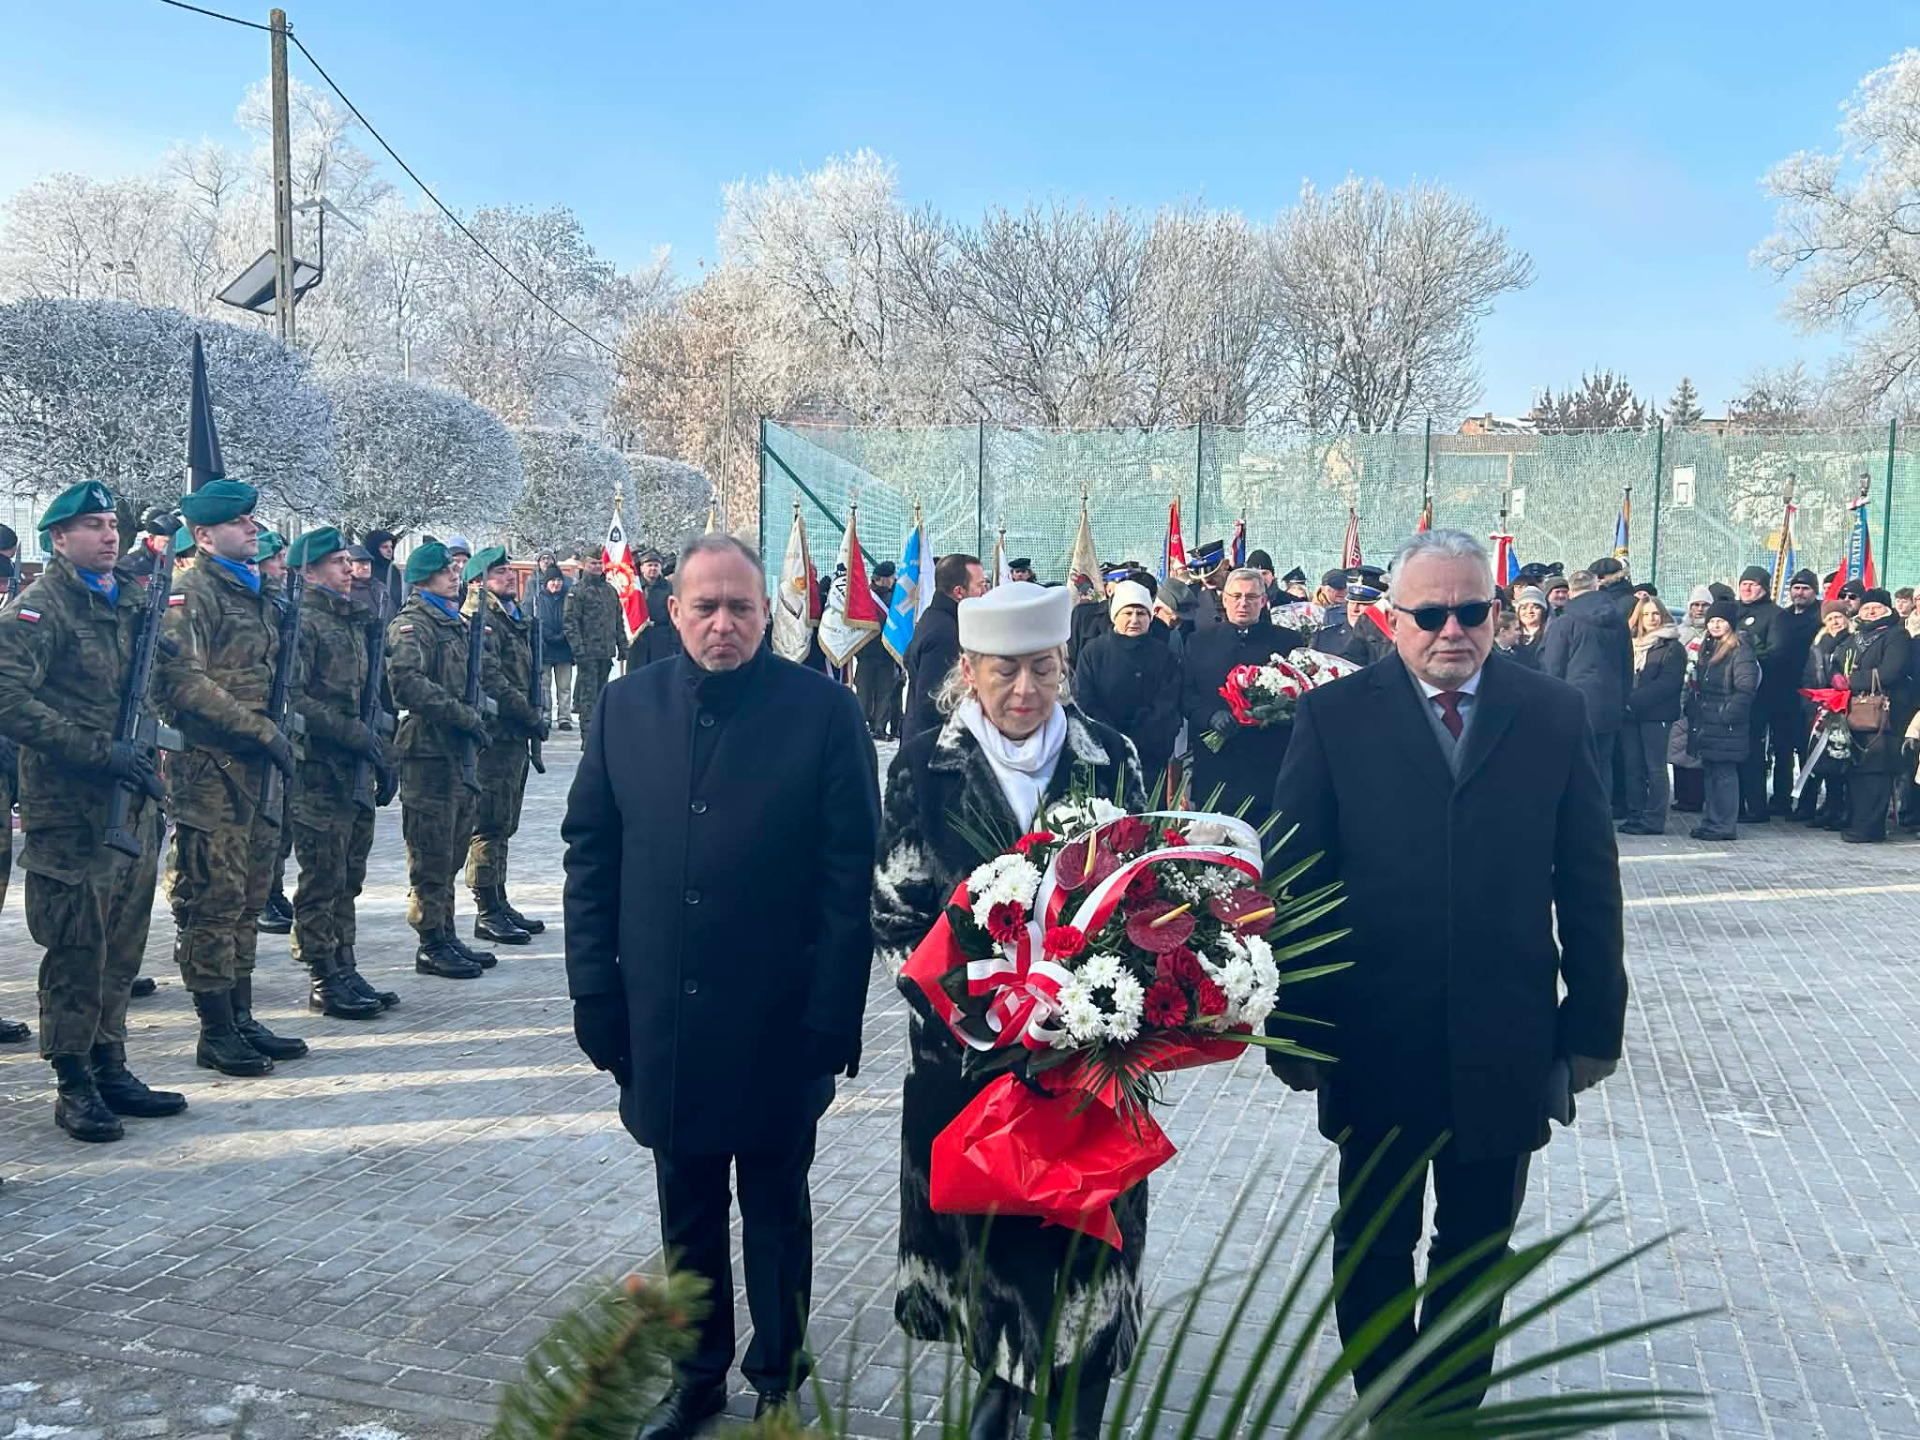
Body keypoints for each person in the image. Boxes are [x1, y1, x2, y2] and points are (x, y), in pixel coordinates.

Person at [1267, 529, 1626, 1415]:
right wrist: (1294, 1026)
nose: (1452, 631)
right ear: (1391, 620)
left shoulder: (1552, 713)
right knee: (1373, 1244)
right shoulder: (1333, 718)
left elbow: (1589, 880)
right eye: (1430, 615)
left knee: (1476, 1249)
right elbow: (1295, 881)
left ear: (1497, 614)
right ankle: (1390, 1409)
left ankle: (1446, 1417)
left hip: (1504, 1035)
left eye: (1471, 611)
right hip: (1374, 1034)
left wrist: (1593, 1025)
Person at [565, 534, 878, 1436]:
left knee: (776, 1208)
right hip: (665, 1019)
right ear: (674, 612)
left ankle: (779, 1372)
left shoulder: (824, 712)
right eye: (705, 607)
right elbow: (591, 857)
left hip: (779, 1020)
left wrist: (834, 1014)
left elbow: (847, 877)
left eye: (741, 607)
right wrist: (594, 993)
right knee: (687, 1209)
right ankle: (696, 1376)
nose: (723, 624)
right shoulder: (626, 708)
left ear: (767, 613)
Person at [873, 580, 1145, 1440]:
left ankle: (1076, 1401)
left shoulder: (1112, 758)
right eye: (1005, 671)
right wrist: (988, 1014)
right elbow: (896, 915)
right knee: (992, 1242)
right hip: (970, 1062)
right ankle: (1004, 1380)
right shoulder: (925, 765)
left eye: (1043, 669)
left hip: (1091, 1062)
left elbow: (1149, 895)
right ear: (968, 670)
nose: (1026, 690)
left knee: (1087, 1242)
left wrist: (1101, 1006)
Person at [0, 482, 187, 1141]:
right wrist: (98, 751)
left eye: (112, 524)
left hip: (130, 804)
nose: (109, 536)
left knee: (122, 946)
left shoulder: (127, 599)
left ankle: (112, 1063)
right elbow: (9, 701)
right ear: (59, 538)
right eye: (93, 526)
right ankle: (73, 1081)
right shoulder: (38, 609)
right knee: (77, 951)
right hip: (72, 810)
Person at [157, 479, 308, 1077]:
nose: (251, 528)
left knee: (249, 896)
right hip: (212, 768)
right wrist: (259, 730)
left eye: (251, 520)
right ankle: (215, 1028)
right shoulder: (190, 593)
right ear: (203, 535)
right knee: (213, 901)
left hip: (256, 767)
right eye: (237, 522)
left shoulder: (258, 592)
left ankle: (242, 1016)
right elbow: (182, 682)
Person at [285, 526, 395, 1021]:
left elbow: (373, 698)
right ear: (308, 572)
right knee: (322, 876)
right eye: (336, 563)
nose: (349, 569)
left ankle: (344, 963)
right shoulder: (303, 621)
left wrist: (382, 753)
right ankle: (322, 973)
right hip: (318, 770)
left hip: (353, 768)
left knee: (349, 874)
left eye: (348, 562)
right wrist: (352, 734)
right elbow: (294, 699)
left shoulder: (353, 620)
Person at [387, 542, 494, 981]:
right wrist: (463, 715)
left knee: (453, 847)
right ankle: (430, 941)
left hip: (456, 751)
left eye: (455, 570)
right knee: (430, 853)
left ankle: (446, 932)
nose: (455, 576)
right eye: (446, 571)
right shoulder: (413, 625)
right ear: (423, 579)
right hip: (428, 751)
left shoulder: (453, 623)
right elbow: (407, 685)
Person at [461, 547, 549, 941]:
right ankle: (486, 908)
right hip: (494, 736)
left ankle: (498, 897)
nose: (510, 576)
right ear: (477, 582)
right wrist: (529, 715)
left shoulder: (510, 618)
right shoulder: (479, 619)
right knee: (489, 823)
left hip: (513, 736)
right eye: (499, 572)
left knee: (505, 822)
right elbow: (492, 679)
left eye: (509, 570)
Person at [1182, 567, 1292, 823]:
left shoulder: (1287, 642)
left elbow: (1299, 695)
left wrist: (1271, 711)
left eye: (1251, 597)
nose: (1243, 603)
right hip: (1217, 764)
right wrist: (1209, 716)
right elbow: (1186, 693)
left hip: (1267, 762)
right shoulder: (1199, 642)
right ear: (1224, 599)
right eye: (1236, 596)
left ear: (1263, 601)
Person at [1075, 577, 1182, 789]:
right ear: (1115, 616)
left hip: (1149, 757)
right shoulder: (1093, 652)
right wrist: (1114, 740)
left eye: (1141, 613)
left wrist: (1139, 741)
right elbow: (1085, 700)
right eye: (1128, 613)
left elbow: (1167, 704)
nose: (1134, 619)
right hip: (1105, 755)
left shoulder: (1163, 655)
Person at [1542, 568, 1631, 786]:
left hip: (1573, 703)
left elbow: (1553, 667)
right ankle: (1602, 808)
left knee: (1573, 765)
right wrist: (1622, 700)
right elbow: (1626, 664)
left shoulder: (1564, 622)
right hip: (1610, 702)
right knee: (1603, 765)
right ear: (1596, 587)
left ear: (1571, 592)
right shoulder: (1619, 620)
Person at [1837, 588, 1913, 843]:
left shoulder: (1896, 635)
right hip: (1855, 712)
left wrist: (1851, 681)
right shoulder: (1856, 636)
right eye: (1866, 608)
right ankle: (1856, 820)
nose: (1870, 612)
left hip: (1883, 713)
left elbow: (1892, 670)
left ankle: (1870, 827)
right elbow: (1838, 663)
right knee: (1857, 768)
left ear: (1887, 610)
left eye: (1876, 608)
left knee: (1876, 770)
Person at [1683, 601, 1760, 842]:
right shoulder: (1707, 647)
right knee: (1710, 773)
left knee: (1724, 775)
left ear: (1730, 624)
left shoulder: (1740, 649)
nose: (1715, 625)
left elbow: (1746, 688)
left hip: (1726, 723)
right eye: (1712, 621)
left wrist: (1728, 714)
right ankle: (1711, 821)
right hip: (1707, 720)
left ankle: (1724, 824)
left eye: (1721, 621)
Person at [256, 530, 297, 937]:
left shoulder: (282, 603)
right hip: (253, 729)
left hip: (281, 723)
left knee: (280, 819)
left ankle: (273, 887)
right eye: (275, 559)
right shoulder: (258, 606)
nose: (282, 566)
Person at [1619, 595, 1685, 835]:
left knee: (1655, 768)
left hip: (1657, 715)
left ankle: (1654, 819)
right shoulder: (1629, 644)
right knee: (1632, 766)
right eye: (1646, 614)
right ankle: (1636, 814)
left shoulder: (1672, 647)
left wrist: (1632, 701)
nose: (1651, 618)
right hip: (1630, 716)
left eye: (1655, 613)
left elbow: (1668, 683)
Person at [1760, 569, 1823, 815]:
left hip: (1808, 694)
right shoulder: (1782, 617)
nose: (1800, 593)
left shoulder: (1820, 618)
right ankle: (1781, 798)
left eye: (1805, 588)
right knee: (1782, 750)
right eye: (1796, 588)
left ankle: (1807, 803)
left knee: (1807, 751)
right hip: (1781, 693)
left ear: (1814, 592)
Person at [904, 553, 985, 741]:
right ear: (959, 592)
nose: (984, 592)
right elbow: (934, 702)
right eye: (980, 586)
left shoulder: (937, 618)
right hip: (934, 745)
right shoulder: (944, 632)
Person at [1796, 600, 1854, 827]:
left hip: (1843, 709)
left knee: (1840, 761)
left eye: (1838, 617)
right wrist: (1811, 704)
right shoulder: (1818, 645)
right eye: (1830, 619)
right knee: (1825, 761)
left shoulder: (1852, 642)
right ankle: (1830, 806)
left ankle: (1840, 809)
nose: (1834, 622)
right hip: (1820, 708)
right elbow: (1808, 676)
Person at [563, 551, 628, 746]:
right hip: (588, 653)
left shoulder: (610, 591)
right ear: (584, 565)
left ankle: (601, 734)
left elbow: (617, 620)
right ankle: (589, 737)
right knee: (588, 698)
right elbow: (570, 622)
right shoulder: (578, 591)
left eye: (600, 563)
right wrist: (578, 650)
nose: (597, 567)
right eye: (593, 563)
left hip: (605, 652)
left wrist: (622, 645)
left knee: (602, 696)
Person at [855, 561, 905, 740]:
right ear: (884, 579)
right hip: (870, 654)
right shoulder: (866, 597)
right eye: (891, 577)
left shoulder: (893, 597)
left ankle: (878, 728)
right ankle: (869, 726)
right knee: (866, 693)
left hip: (883, 655)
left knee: (883, 692)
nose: (894, 580)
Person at [535, 563, 573, 730]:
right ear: (546, 582)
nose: (556, 583)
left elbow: (572, 618)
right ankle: (546, 715)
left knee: (564, 686)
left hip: (565, 647)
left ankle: (564, 717)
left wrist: (564, 635)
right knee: (544, 685)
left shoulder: (569, 597)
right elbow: (537, 620)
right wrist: (548, 635)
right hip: (545, 647)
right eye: (553, 580)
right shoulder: (538, 598)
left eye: (559, 580)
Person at [633, 548, 682, 670]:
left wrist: (675, 643)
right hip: (638, 639)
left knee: (659, 675)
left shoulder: (669, 588)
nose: (653, 568)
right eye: (649, 565)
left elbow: (675, 615)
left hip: (661, 639)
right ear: (642, 568)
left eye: (656, 565)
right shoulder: (633, 587)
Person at [362, 529, 404, 618]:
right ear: (374, 549)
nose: (390, 550)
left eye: (391, 547)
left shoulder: (392, 570)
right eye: (385, 547)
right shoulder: (364, 570)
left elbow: (397, 600)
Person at [1510, 586, 1551, 670]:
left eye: (1535, 607)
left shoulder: (1551, 633)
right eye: (1524, 608)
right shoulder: (1509, 633)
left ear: (1543, 611)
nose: (1529, 611)